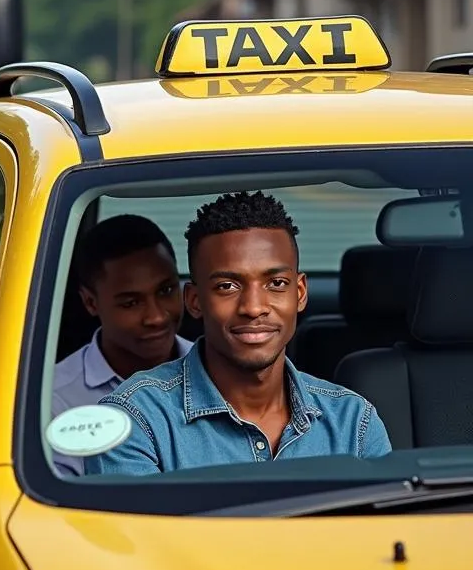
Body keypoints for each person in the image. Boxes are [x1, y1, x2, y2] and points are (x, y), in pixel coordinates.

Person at [83, 191, 392, 477]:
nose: (254, 307)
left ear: (299, 294)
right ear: (193, 301)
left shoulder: (354, 423)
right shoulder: (133, 421)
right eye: (227, 287)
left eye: (276, 284)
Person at [50, 214, 192, 476]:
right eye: (130, 303)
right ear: (91, 303)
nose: (156, 317)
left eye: (166, 290)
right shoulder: (57, 402)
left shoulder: (221, 371)